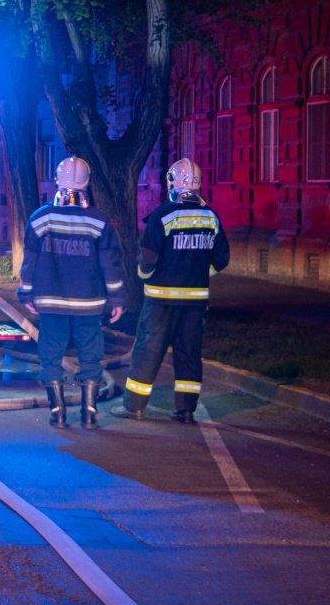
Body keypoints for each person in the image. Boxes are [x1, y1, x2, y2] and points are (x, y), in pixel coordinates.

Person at [111, 158, 229, 423]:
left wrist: (145, 279)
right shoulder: (211, 216)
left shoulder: (163, 215)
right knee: (189, 353)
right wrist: (198, 276)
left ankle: (134, 407)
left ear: (171, 182)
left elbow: (147, 258)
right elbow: (221, 259)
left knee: (148, 351)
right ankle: (187, 411)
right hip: (195, 303)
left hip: (161, 301)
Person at [18, 156, 126, 429]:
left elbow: (29, 260)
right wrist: (117, 299)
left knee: (50, 354)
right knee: (90, 355)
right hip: (89, 304)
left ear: (57, 180)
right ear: (88, 183)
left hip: (50, 303)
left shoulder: (40, 218)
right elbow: (110, 264)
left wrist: (26, 294)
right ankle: (89, 414)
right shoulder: (99, 221)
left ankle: (58, 411)